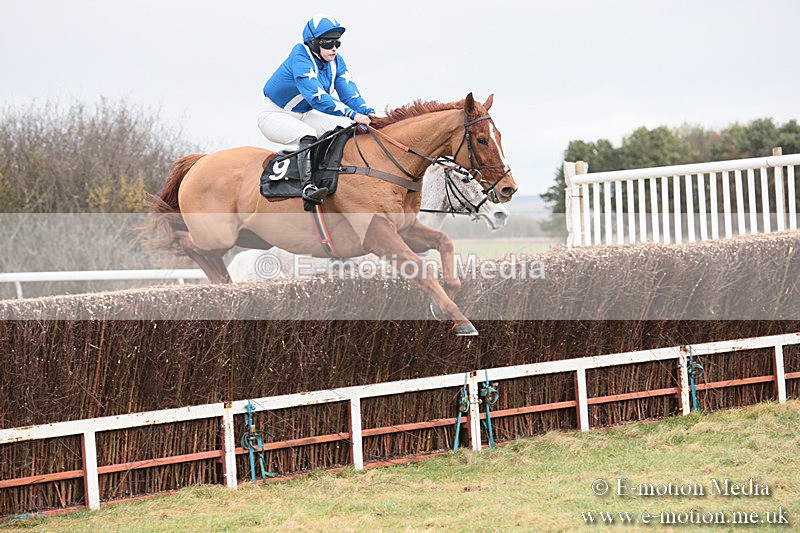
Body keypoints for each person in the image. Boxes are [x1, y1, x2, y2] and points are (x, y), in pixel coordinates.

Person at [258, 14, 375, 205]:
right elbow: (316, 97)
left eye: (337, 43)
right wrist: (352, 114)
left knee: (346, 128)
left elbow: (349, 94)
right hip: (274, 115)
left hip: (304, 114)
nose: (334, 48)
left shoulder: (336, 61)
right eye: (328, 43)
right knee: (308, 134)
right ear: (312, 43)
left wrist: (367, 112)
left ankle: (333, 177)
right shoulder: (300, 56)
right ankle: (307, 187)